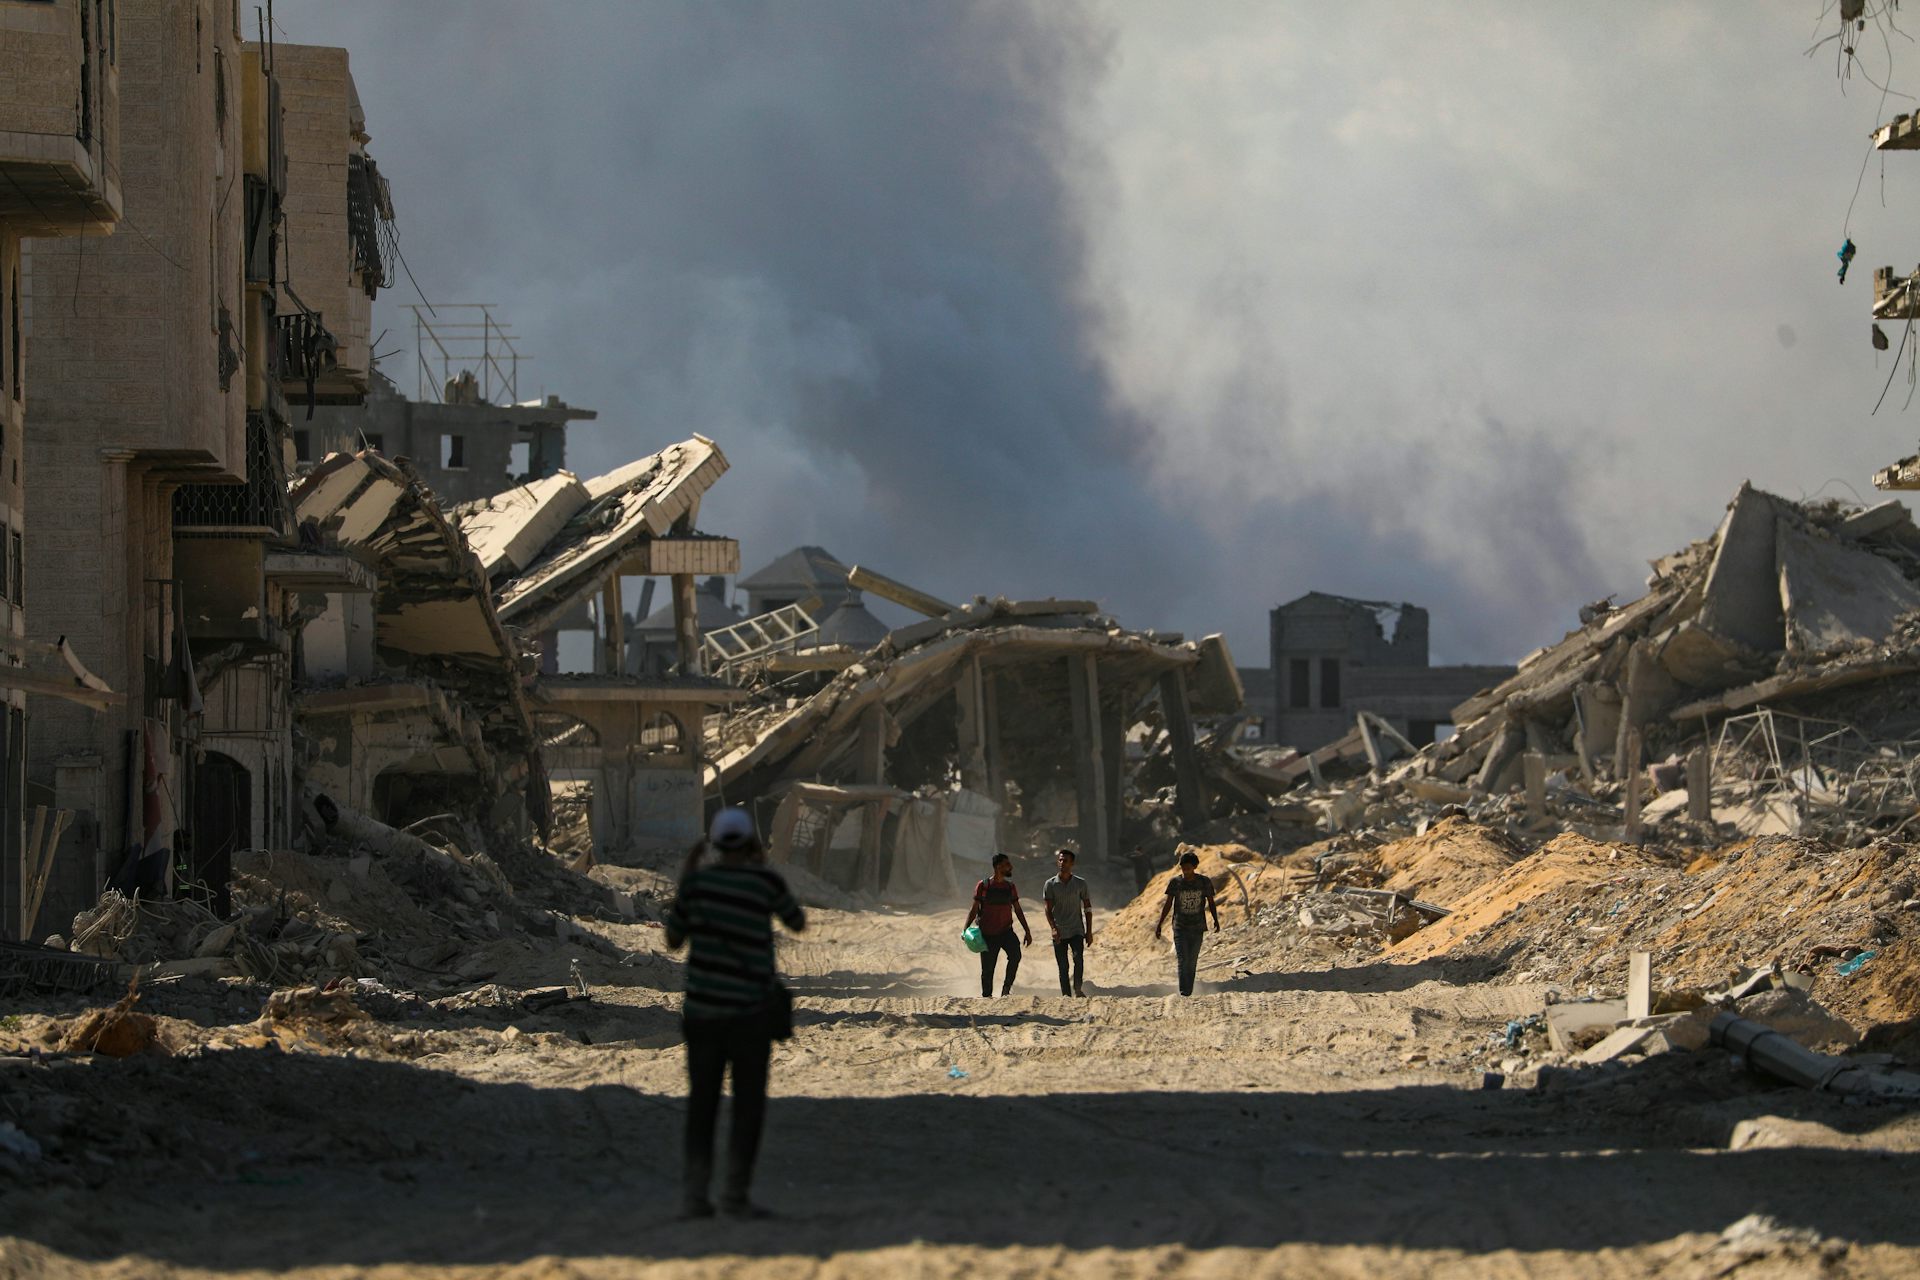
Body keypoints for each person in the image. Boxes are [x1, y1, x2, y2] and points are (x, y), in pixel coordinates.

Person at [663, 807, 806, 1219]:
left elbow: (674, 939)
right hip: (750, 1012)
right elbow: (796, 921)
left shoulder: (697, 885)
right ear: (750, 843)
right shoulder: (764, 882)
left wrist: (688, 878)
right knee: (748, 1104)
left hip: (703, 1012)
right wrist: (762, 871)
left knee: (702, 1103)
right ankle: (735, 1194)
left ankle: (695, 1195)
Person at [963, 853, 1032, 997]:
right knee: (987, 970)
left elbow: (1018, 909)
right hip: (987, 934)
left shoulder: (1010, 887)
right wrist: (965, 929)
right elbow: (974, 909)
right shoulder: (983, 886)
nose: (1011, 867)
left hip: (1006, 932)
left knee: (1015, 956)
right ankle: (987, 997)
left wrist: (1027, 931)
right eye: (1007, 864)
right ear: (998, 866)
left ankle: (1006, 989)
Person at [1153, 851, 1220, 997]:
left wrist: (1215, 919)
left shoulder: (1204, 882)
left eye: (1188, 867)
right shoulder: (1175, 883)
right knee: (1183, 959)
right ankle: (1184, 991)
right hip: (1180, 927)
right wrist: (1159, 924)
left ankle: (1189, 989)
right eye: (1183, 867)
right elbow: (1168, 904)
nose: (1185, 871)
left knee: (1192, 960)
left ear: (1195, 867)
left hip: (1197, 927)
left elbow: (1211, 902)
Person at [1043, 848, 1094, 996]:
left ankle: (1077, 989)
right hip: (1059, 931)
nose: (1061, 863)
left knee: (1078, 960)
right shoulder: (1050, 884)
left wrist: (1089, 931)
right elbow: (1047, 909)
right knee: (1063, 966)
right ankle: (1066, 994)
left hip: (1076, 929)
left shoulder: (1080, 883)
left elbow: (1088, 907)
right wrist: (1053, 928)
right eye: (1060, 860)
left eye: (1065, 860)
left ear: (1072, 863)